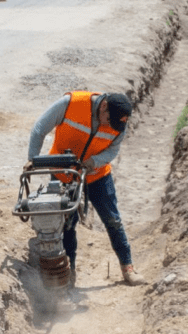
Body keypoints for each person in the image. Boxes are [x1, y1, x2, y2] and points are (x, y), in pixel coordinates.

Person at [26, 91, 147, 287]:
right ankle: (69, 272)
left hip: (97, 174)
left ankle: (128, 268)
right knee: (67, 223)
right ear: (103, 106)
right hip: (63, 172)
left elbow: (113, 150)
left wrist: (94, 162)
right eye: (109, 120)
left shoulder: (118, 123)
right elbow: (40, 129)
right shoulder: (71, 104)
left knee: (113, 220)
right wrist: (33, 159)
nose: (110, 126)